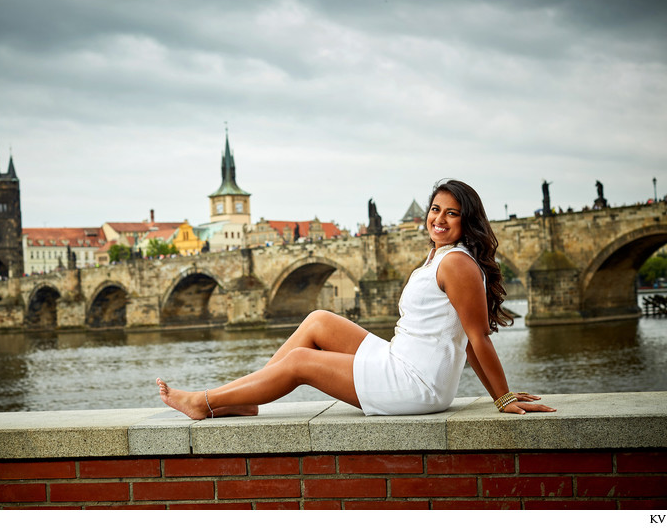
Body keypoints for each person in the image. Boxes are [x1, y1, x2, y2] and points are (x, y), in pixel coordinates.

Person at [158, 179, 556, 418]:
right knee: (318, 320)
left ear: (467, 220)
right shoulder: (439, 255)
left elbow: (476, 338)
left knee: (300, 362)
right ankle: (246, 396)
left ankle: (205, 402)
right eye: (436, 209)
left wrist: (502, 398)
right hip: (400, 361)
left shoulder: (457, 264)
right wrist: (499, 394)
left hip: (416, 385)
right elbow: (463, 341)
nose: (439, 218)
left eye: (451, 213)